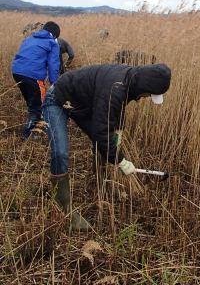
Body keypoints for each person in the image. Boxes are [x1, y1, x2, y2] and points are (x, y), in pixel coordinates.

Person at [43, 63, 171, 230]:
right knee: (60, 153)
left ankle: (100, 182)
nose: (147, 97)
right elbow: (101, 132)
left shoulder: (130, 80)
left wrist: (117, 133)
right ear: (145, 87)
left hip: (81, 103)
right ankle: (65, 209)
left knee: (106, 142)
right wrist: (120, 160)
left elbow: (116, 110)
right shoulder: (116, 87)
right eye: (149, 94)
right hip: (59, 99)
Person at [11, 21, 60, 139]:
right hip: (33, 76)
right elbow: (53, 66)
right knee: (38, 105)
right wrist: (55, 84)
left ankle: (33, 127)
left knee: (32, 101)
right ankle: (28, 135)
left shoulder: (29, 38)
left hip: (17, 72)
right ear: (54, 35)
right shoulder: (52, 43)